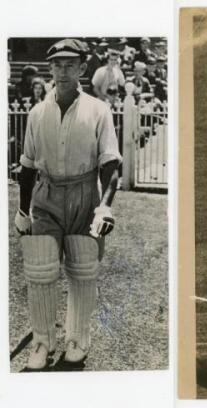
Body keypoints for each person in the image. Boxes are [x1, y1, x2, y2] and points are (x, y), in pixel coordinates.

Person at [14, 38, 122, 370]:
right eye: (58, 65)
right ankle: (43, 343)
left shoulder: (98, 110)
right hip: (47, 198)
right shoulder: (36, 112)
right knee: (40, 271)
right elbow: (28, 167)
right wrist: (22, 210)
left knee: (83, 270)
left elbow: (111, 166)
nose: (63, 71)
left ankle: (78, 338)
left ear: (82, 68)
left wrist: (103, 207)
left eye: (70, 65)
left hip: (84, 194)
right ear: (51, 68)